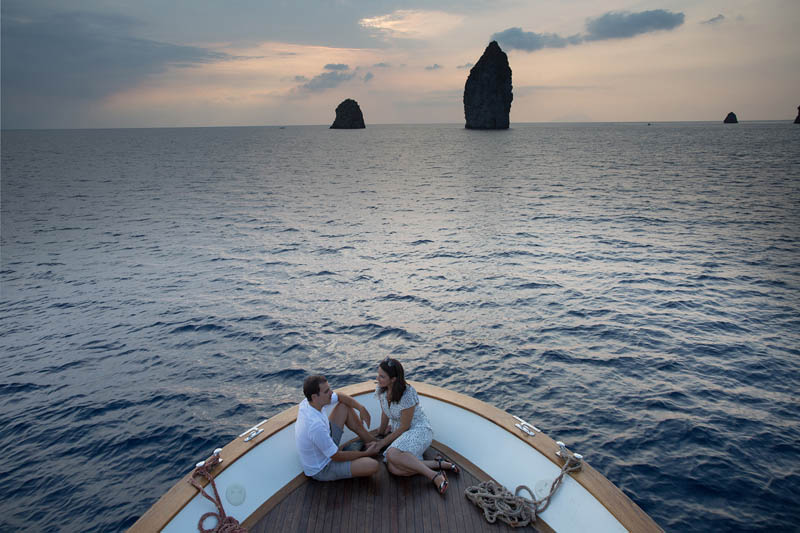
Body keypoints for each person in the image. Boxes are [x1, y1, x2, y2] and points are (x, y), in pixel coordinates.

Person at [372, 357, 460, 495]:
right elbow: (385, 413)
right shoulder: (381, 389)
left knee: (391, 454)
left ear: (393, 379)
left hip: (418, 430)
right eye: (378, 374)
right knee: (394, 468)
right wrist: (380, 435)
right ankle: (441, 464)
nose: (378, 378)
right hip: (402, 432)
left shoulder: (406, 393)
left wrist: (381, 443)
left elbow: (404, 427)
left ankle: (435, 476)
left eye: (382, 376)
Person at [295, 375, 381, 481]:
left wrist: (361, 408)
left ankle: (372, 442)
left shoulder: (308, 403)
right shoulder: (314, 425)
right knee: (372, 465)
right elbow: (335, 456)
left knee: (344, 406)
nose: (331, 392)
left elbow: (340, 396)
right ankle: (366, 449)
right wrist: (366, 454)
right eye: (327, 391)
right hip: (323, 468)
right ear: (314, 397)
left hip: (328, 445)